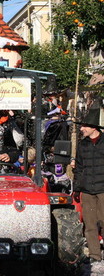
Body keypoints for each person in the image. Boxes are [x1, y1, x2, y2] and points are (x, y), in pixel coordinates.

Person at [73, 107, 104, 266]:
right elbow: (78, 167)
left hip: (103, 189)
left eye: (84, 125)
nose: (82, 128)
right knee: (90, 224)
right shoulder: (82, 144)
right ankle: (94, 255)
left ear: (93, 127)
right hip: (87, 189)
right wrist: (76, 188)